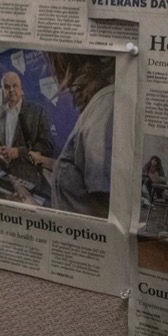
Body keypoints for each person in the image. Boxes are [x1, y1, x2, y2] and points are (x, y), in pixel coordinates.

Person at [29, 54, 115, 218]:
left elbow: (100, 211)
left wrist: (37, 211)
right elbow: (81, 175)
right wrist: (45, 161)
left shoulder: (103, 107)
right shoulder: (100, 105)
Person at [0, 71, 54, 203]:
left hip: (27, 184)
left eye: (14, 86)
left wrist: (18, 152)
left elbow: (47, 145)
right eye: (7, 87)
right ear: (3, 91)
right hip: (3, 180)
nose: (11, 90)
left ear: (21, 88)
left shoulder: (37, 111)